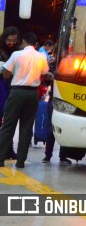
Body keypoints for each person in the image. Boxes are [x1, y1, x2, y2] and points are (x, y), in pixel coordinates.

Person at [0, 31, 52, 168]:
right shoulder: (41, 56)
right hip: (32, 94)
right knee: (26, 127)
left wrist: (13, 74)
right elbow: (45, 74)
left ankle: (0, 159)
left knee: (8, 126)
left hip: (17, 92)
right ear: (35, 44)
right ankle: (21, 161)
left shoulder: (17, 54)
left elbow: (5, 74)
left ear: (23, 42)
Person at [0, 26, 20, 160]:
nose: (11, 43)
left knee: (9, 119)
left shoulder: (18, 52)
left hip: (12, 87)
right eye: (9, 40)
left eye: (14, 40)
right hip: (1, 86)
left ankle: (8, 149)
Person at [42, 86, 71, 164]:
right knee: (52, 128)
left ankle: (61, 156)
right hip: (57, 98)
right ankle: (49, 155)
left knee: (63, 128)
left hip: (64, 98)